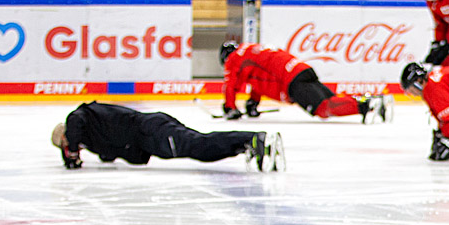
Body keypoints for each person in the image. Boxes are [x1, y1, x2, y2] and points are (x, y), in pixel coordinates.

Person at [50, 101, 285, 172]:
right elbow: (109, 153)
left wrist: (70, 151)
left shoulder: (77, 118)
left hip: (150, 130)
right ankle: (246, 143)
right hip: (150, 133)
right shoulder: (93, 134)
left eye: (64, 143)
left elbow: (76, 124)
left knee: (199, 145)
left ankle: (253, 138)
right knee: (199, 148)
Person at [220, 41, 392, 123]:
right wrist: (253, 102)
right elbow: (260, 77)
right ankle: (368, 100)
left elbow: (230, 84)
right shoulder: (251, 51)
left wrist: (230, 107)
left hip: (291, 81)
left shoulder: (234, 58)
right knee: (333, 101)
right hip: (301, 70)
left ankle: (368, 104)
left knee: (324, 109)